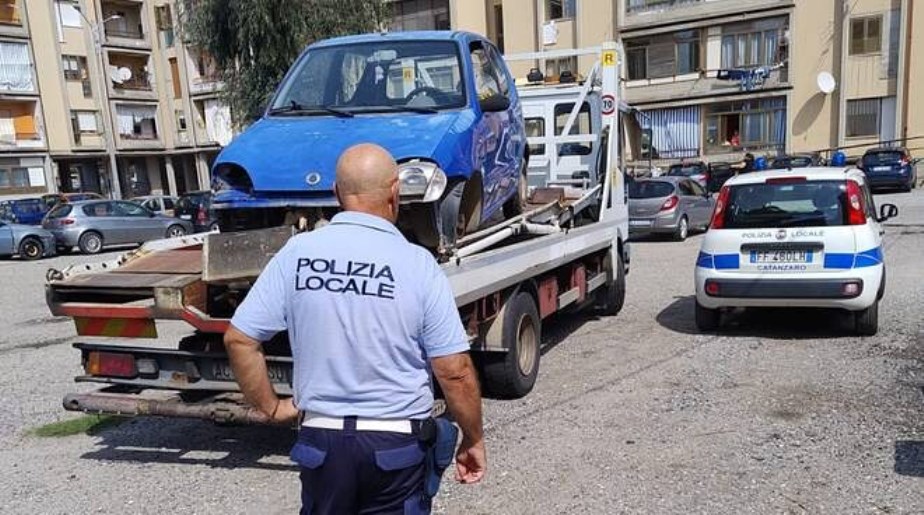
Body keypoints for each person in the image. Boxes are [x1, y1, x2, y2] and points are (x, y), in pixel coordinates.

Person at [224, 143, 486, 514]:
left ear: (336, 194)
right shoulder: (417, 264)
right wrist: (472, 438)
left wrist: (270, 407)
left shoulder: (298, 254)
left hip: (322, 443)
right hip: (395, 447)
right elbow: (454, 371)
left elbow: (239, 338)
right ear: (395, 193)